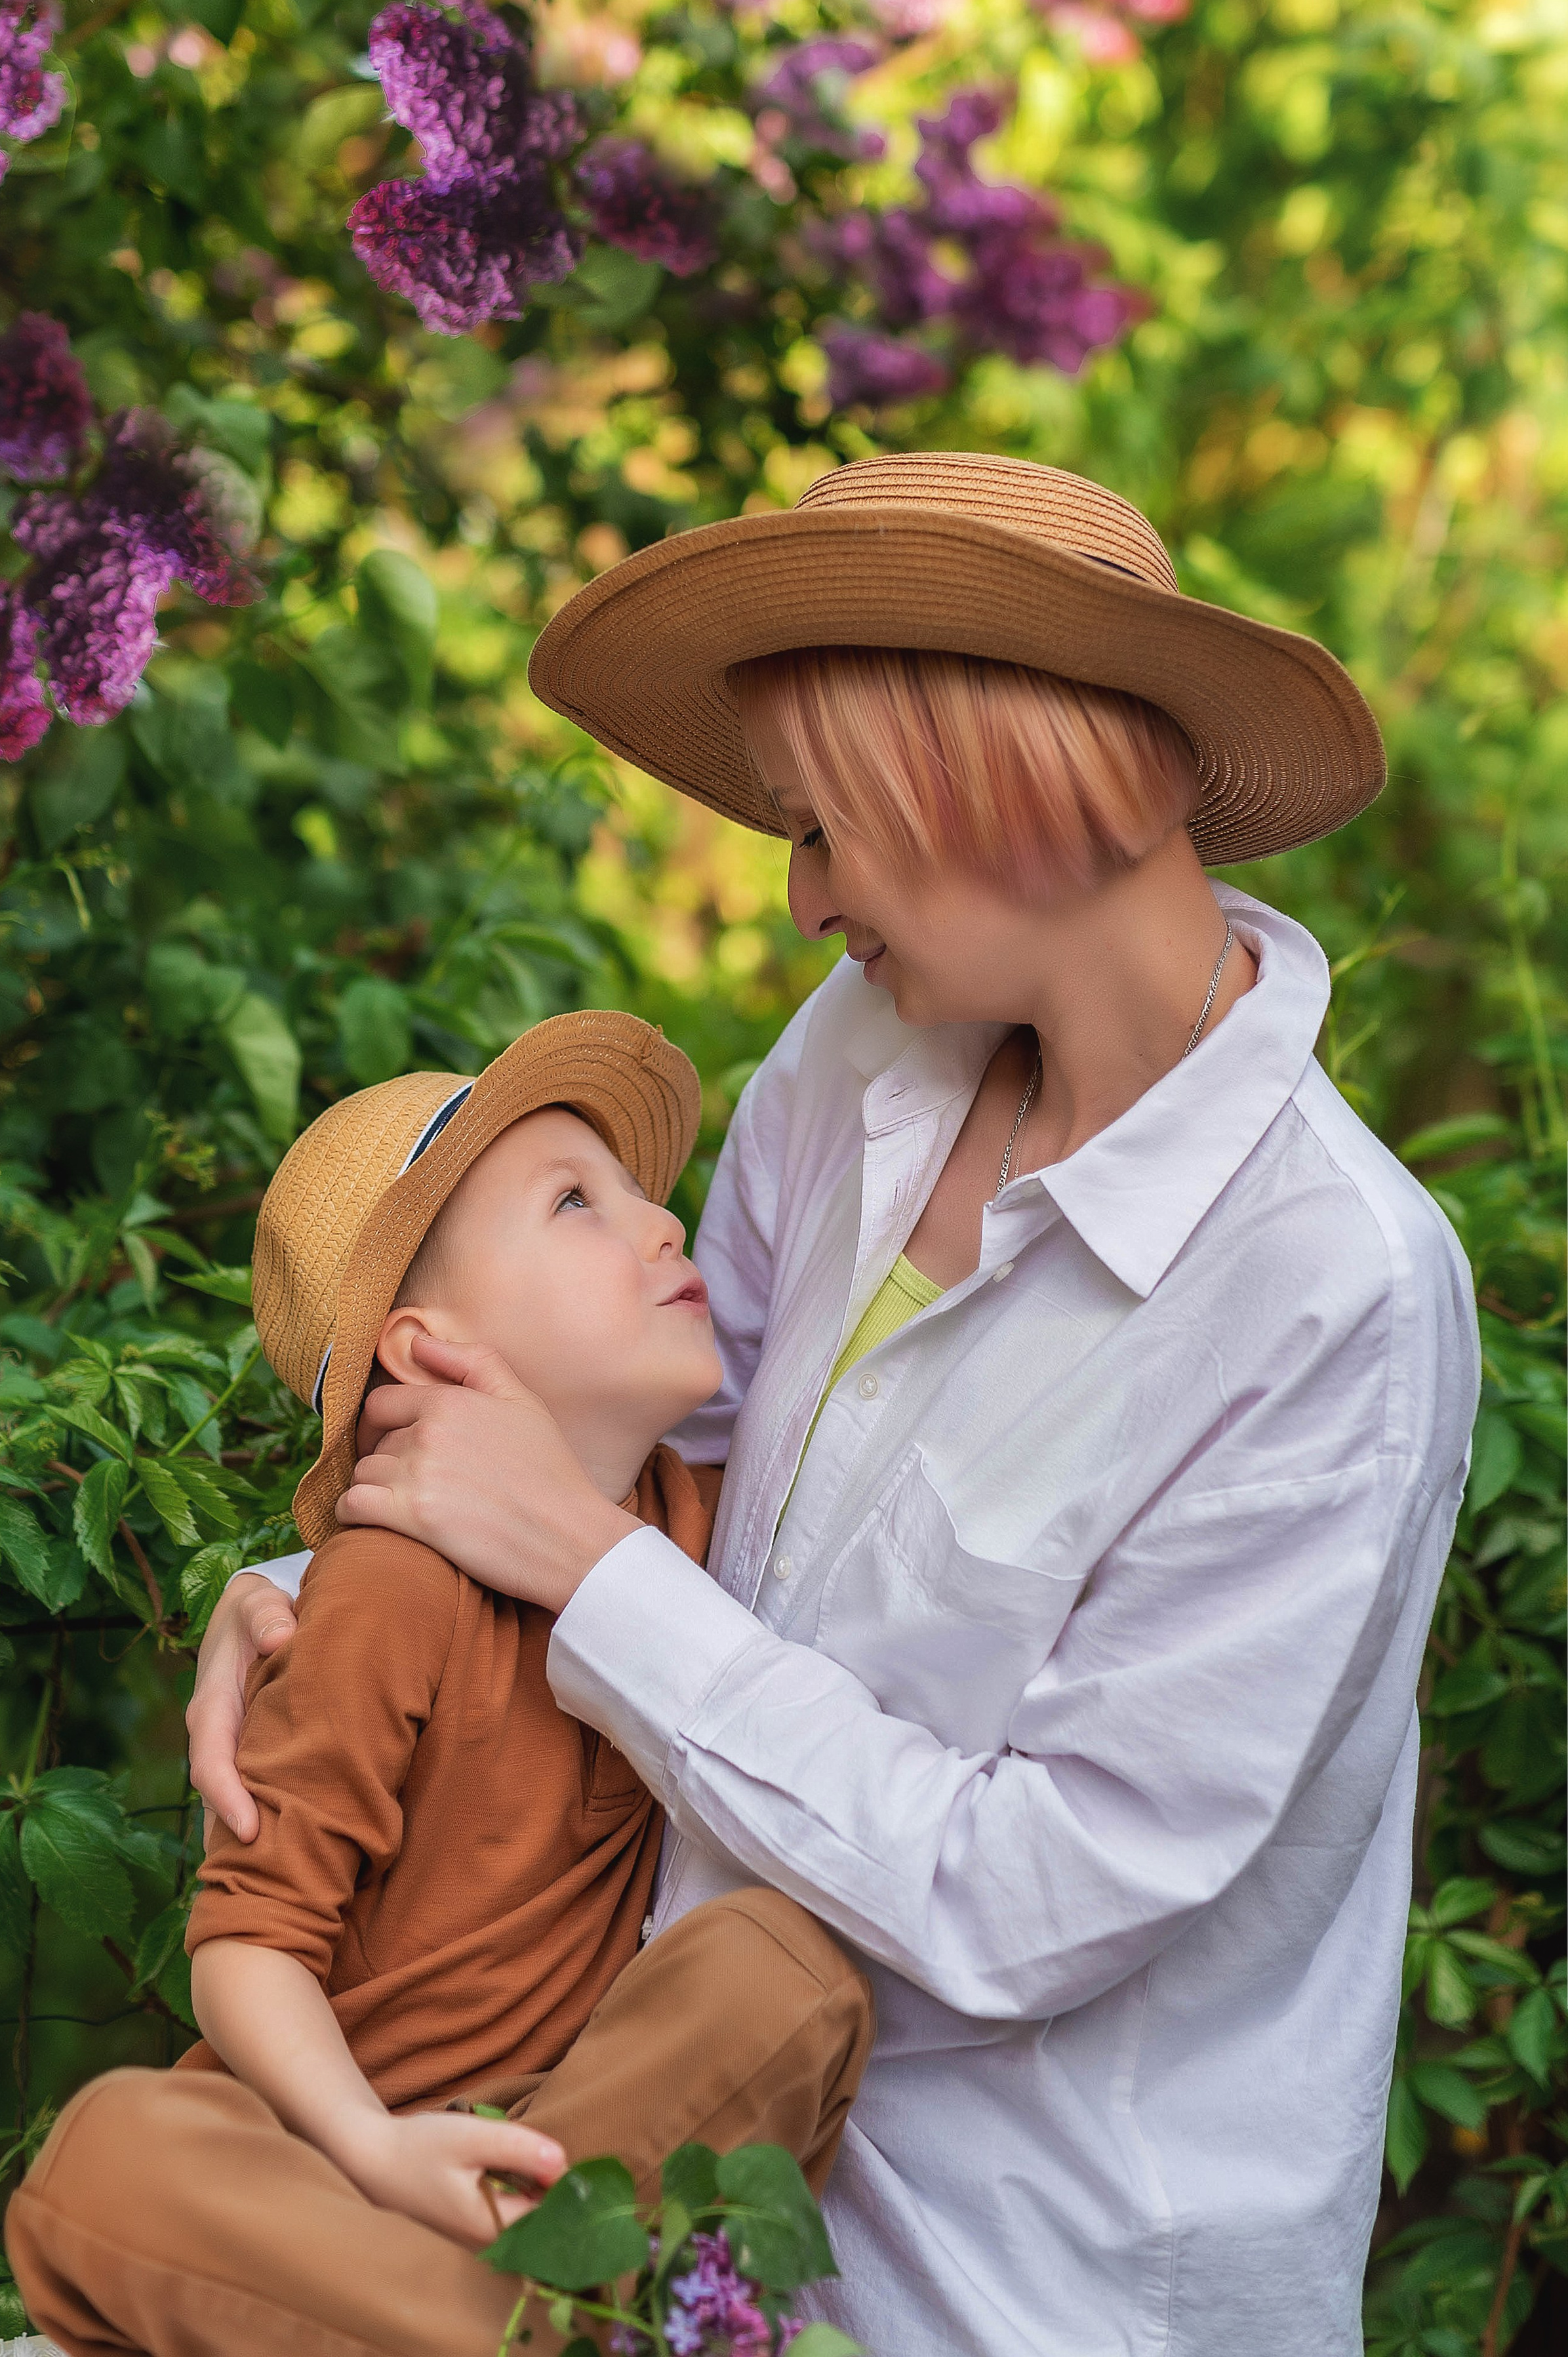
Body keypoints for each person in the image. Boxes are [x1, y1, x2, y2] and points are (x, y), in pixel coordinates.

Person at [189, 454, 1479, 2357]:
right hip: (643, 2189)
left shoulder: (1332, 1288)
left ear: (989, 785)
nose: (797, 900)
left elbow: (1030, 1892)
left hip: (1018, 2286)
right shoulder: (860, 1059)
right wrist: (321, 1581)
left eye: (820, 827)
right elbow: (651, 1478)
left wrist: (568, 1560)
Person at [5, 1012, 873, 2357]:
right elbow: (248, 1942)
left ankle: (508, 2319)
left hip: (565, 2161)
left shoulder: (701, 1528)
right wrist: (369, 2143)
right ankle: (528, 2331)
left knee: (789, 1964)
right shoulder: (392, 1588)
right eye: (576, 1203)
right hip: (329, 2166)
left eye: (643, 1191)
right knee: (103, 2155)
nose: (659, 1224)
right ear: (426, 1349)